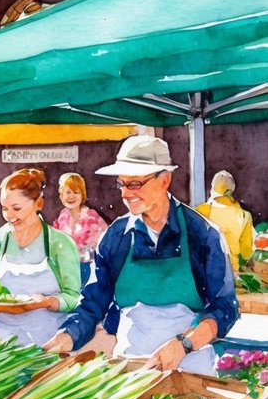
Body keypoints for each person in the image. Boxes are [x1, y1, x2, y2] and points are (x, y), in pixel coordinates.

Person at [43, 137, 239, 374]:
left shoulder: (202, 234)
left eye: (135, 183)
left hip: (190, 366)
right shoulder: (115, 237)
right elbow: (93, 303)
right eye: (122, 184)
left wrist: (184, 344)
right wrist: (67, 336)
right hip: (131, 365)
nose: (125, 193)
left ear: (164, 180)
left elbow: (224, 307)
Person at [0, 169, 82, 347]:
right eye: (4, 208)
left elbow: (73, 297)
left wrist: (48, 302)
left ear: (38, 203)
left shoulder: (60, 243)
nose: (9, 215)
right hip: (0, 342)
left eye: (16, 208)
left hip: (48, 342)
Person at [52, 172, 107, 283]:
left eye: (76, 192)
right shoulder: (61, 218)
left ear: (82, 195)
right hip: (65, 270)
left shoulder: (92, 217)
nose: (71, 196)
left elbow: (104, 246)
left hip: (89, 270)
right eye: (67, 192)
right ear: (61, 196)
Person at [196, 171, 255, 274]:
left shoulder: (201, 211)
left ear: (213, 188)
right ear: (232, 189)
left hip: (207, 272)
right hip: (232, 273)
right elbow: (246, 253)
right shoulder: (244, 215)